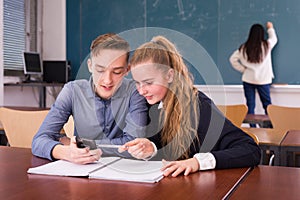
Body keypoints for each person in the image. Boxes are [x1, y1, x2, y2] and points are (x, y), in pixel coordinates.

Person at [118, 35, 261, 177]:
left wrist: (197, 162)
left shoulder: (199, 106)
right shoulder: (153, 105)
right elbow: (167, 147)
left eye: (149, 83)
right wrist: (152, 148)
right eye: (137, 83)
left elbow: (250, 150)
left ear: (169, 76)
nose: (141, 91)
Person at [32, 33, 149, 164]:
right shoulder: (72, 91)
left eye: (116, 72)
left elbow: (133, 143)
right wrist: (66, 152)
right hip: (80, 173)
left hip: (122, 172)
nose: (107, 80)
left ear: (127, 70)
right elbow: (39, 140)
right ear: (90, 66)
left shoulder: (135, 91)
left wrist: (81, 144)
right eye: (100, 70)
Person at [229, 22, 278, 121]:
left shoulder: (244, 47)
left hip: (248, 79)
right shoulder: (266, 46)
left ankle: (252, 128)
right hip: (263, 80)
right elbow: (274, 39)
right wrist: (270, 28)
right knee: (267, 105)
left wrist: (243, 70)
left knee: (250, 106)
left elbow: (232, 59)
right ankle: (271, 127)